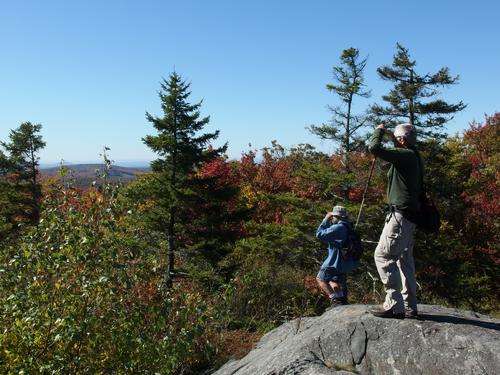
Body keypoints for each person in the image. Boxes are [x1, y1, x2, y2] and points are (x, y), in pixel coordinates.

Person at [367, 123, 421, 319]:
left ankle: (394, 305)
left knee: (383, 256)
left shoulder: (405, 155)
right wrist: (390, 135)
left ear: (402, 140)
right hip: (409, 217)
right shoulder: (413, 154)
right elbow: (392, 146)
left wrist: (379, 131)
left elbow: (374, 148)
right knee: (404, 260)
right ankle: (409, 305)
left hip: (400, 217)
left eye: (396, 139)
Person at [316, 205, 359, 307]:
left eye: (333, 217)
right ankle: (341, 299)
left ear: (336, 216)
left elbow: (319, 234)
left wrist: (326, 219)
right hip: (346, 262)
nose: (332, 219)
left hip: (334, 261)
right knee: (333, 280)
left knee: (320, 279)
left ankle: (334, 300)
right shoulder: (349, 226)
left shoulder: (338, 227)